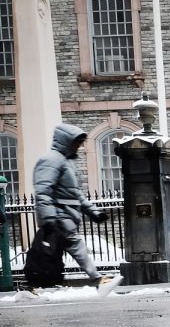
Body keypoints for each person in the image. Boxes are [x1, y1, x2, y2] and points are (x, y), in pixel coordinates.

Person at [33, 124, 117, 290]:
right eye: (76, 142)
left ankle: (40, 285)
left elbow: (75, 194)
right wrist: (49, 218)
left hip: (66, 216)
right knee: (75, 246)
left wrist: (94, 213)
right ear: (66, 141)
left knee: (52, 254)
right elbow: (43, 191)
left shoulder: (65, 162)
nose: (78, 146)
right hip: (59, 216)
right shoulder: (50, 160)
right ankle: (97, 279)